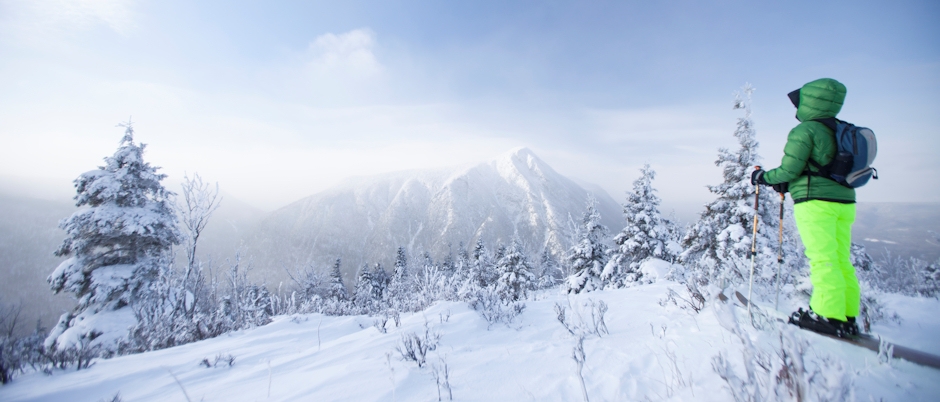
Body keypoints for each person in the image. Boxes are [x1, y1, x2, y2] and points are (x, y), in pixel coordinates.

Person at [750, 78, 859, 337]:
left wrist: (763, 178)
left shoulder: (806, 131)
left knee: (823, 259)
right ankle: (846, 316)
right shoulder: (843, 129)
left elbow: (790, 169)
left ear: (809, 101)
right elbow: (820, 169)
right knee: (841, 260)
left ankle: (828, 316)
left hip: (816, 204)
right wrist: (787, 184)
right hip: (844, 202)